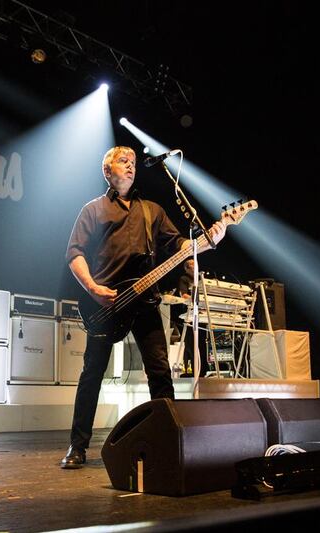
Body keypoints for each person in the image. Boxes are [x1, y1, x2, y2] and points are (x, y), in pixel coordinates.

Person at [60, 146, 226, 468]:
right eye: (124, 162)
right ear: (107, 171)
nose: (131, 167)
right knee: (92, 373)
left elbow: (177, 244)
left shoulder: (151, 210)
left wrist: (205, 243)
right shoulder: (93, 210)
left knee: (160, 372)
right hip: (106, 303)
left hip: (146, 299)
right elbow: (74, 254)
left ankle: (169, 442)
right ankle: (77, 447)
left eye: (134, 162)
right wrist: (93, 288)